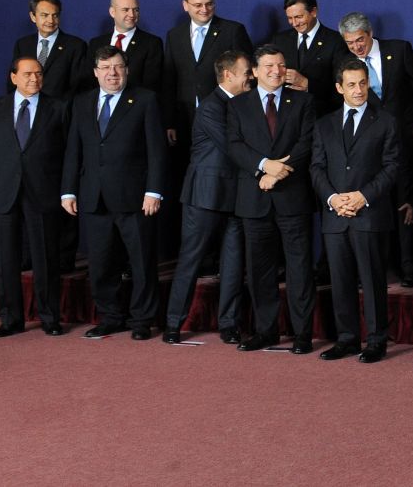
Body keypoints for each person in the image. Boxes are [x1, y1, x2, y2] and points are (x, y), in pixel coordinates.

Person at [60, 46, 167, 340]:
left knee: (142, 261)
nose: (112, 73)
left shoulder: (145, 99)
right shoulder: (82, 102)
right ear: (95, 72)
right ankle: (110, 317)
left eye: (118, 67)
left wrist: (154, 190)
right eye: (106, 68)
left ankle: (142, 320)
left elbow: (157, 152)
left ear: (127, 70)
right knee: (101, 262)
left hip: (135, 197)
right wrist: (68, 190)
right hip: (94, 196)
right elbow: (74, 150)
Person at [228, 45, 318, 354]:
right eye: (268, 66)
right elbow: (234, 146)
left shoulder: (303, 102)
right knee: (259, 271)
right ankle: (266, 331)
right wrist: (264, 167)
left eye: (280, 65)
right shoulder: (238, 105)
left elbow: (308, 143)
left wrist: (278, 172)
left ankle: (303, 333)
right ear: (254, 71)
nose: (276, 71)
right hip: (254, 200)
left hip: (293, 197)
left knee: (299, 269)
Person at [312, 58, 402, 364]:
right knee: (340, 281)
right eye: (351, 85)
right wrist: (333, 199)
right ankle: (347, 339)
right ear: (339, 88)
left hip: (370, 215)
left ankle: (376, 340)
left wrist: (363, 196)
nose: (358, 90)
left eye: (363, 83)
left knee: (373, 280)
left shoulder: (386, 121)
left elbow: (392, 167)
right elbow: (317, 168)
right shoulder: (324, 124)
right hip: (335, 216)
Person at [162, 50, 251, 345]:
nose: (250, 76)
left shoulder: (244, 104)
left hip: (236, 197)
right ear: (228, 75)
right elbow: (233, 147)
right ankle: (174, 323)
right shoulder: (212, 106)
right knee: (191, 260)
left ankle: (229, 324)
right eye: (245, 72)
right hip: (205, 196)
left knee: (233, 264)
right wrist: (266, 166)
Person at [337, 11, 413, 285]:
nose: (356, 47)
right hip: (368, 146)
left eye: (360, 40)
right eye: (350, 42)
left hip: (404, 140)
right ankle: (374, 267)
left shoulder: (399, 50)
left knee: (405, 203)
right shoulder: (346, 64)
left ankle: (410, 266)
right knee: (371, 202)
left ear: (370, 32)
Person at [0, 56, 71, 337]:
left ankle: (49, 316)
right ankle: (11, 319)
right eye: (28, 74)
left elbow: (67, 151)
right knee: (6, 259)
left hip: (42, 192)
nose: (34, 79)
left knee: (45, 258)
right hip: (6, 191)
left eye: (39, 74)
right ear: (13, 78)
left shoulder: (58, 108)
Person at [165, 0, 253, 151]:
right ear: (185, 5)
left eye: (209, 4)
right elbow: (169, 80)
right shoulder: (174, 35)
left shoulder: (232, 31)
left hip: (224, 115)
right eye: (197, 5)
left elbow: (248, 75)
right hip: (185, 118)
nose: (204, 10)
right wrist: (170, 121)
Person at [272, 0, 345, 117]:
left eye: (299, 17)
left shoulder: (335, 41)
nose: (294, 23)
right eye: (290, 18)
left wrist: (307, 84)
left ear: (313, 12)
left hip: (320, 117)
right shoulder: (280, 40)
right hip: (285, 117)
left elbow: (342, 86)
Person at [90, 0, 164, 98]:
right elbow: (90, 81)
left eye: (136, 10)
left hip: (135, 106)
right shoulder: (96, 43)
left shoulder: (152, 43)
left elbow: (151, 84)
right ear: (112, 12)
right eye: (125, 10)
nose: (132, 14)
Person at [13, 0, 88, 99]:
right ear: (33, 17)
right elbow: (14, 80)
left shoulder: (75, 45)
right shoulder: (23, 44)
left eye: (55, 15)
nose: (51, 21)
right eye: (44, 15)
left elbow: (79, 86)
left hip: (61, 111)